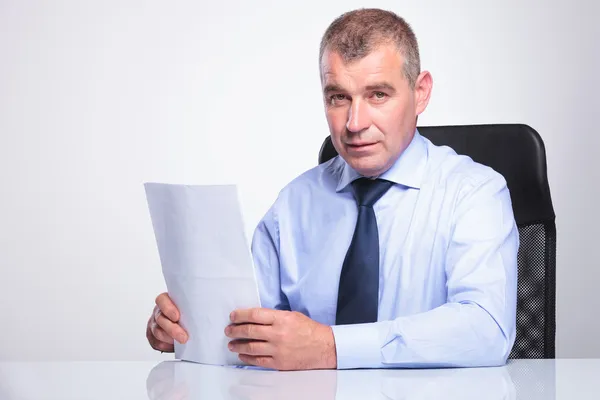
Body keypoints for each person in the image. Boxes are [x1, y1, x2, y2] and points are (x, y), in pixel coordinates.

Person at [146, 8, 518, 371]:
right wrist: (187, 327)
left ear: (420, 93)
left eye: (378, 95)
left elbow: (487, 330)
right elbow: (247, 328)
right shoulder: (294, 204)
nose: (354, 123)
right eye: (338, 97)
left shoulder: (475, 194)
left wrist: (331, 347)